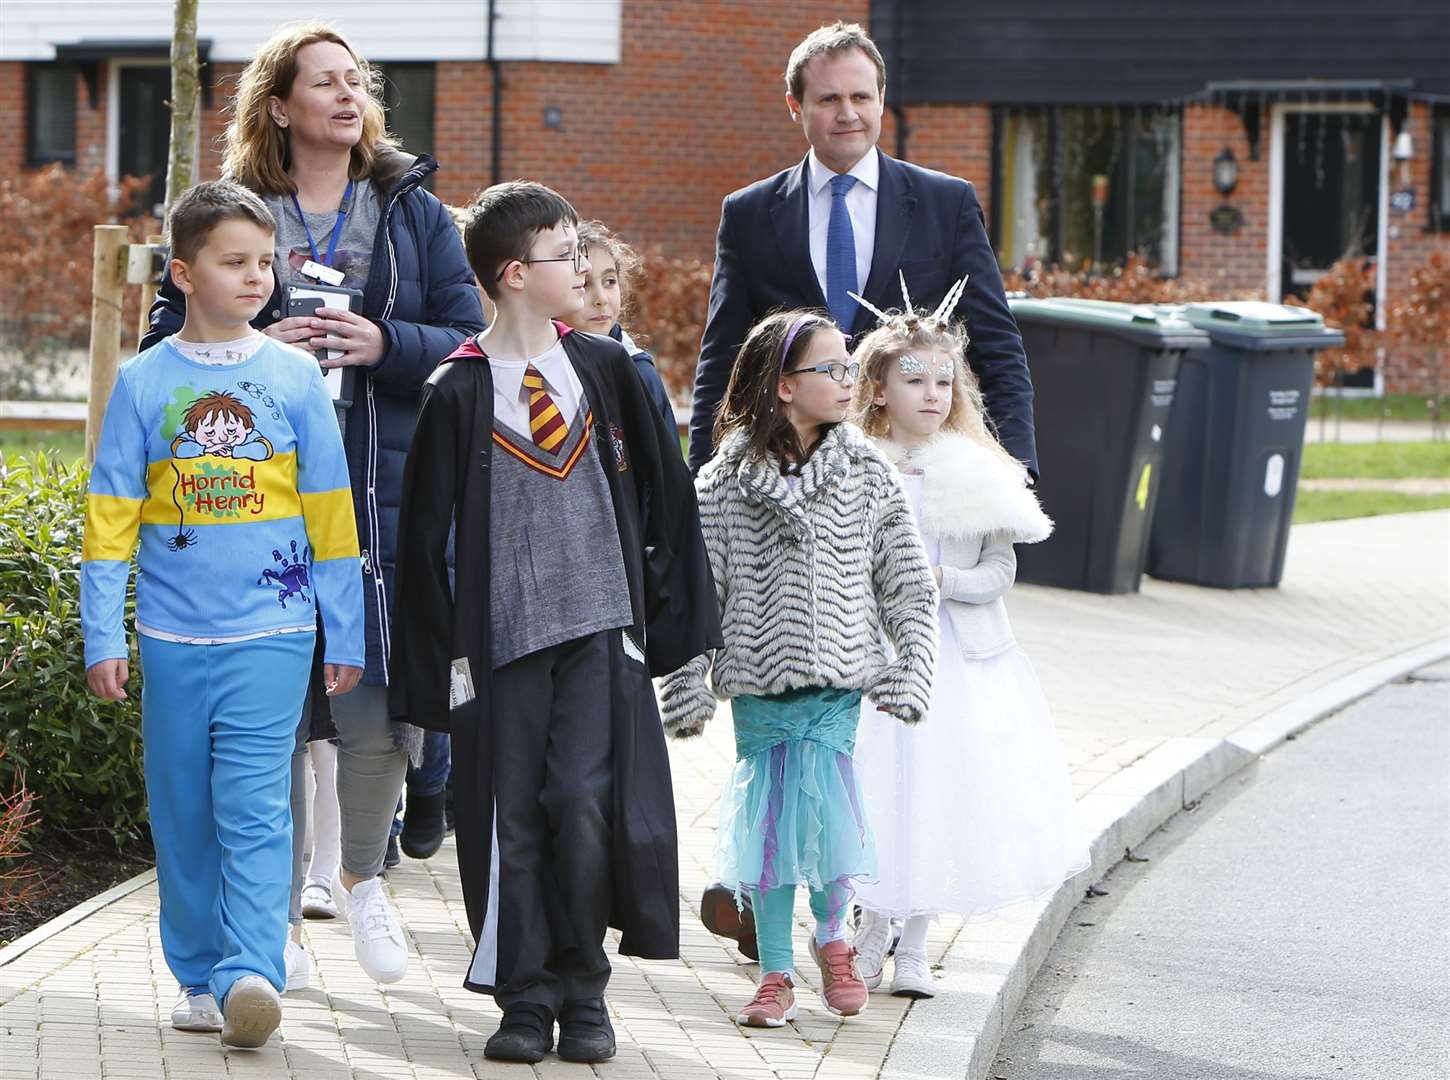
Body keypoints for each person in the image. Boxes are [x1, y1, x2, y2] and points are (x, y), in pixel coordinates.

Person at [141, 21, 486, 988]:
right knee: (277, 715)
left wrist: (386, 344)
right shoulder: (239, 210)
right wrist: (250, 340)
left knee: (373, 688)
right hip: (254, 499)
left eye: (356, 81)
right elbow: (166, 342)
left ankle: (364, 881)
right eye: (324, 82)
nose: (347, 96)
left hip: (386, 487)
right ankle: (278, 914)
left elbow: (467, 337)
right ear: (280, 104)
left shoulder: (413, 209)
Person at [387, 181, 720, 1064]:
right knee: (511, 816)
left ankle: (584, 988)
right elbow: (421, 545)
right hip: (498, 646)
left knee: (583, 805)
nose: (583, 269)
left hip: (600, 632)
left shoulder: (608, 372)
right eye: (564, 255)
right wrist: (430, 677)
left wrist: (673, 626)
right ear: (511, 275)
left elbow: (666, 499)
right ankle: (523, 997)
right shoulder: (458, 391)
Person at [81, 180, 364, 1049]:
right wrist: (103, 633)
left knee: (252, 806)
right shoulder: (142, 383)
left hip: (274, 635)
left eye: (264, 262)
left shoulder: (293, 379)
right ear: (182, 272)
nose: (255, 278)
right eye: (232, 262)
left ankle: (251, 973)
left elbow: (330, 510)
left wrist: (341, 628)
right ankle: (198, 976)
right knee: (181, 810)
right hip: (168, 639)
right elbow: (110, 515)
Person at [660, 309, 938, 1028]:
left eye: (850, 367)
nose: (849, 379)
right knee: (773, 821)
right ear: (783, 386)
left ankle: (835, 937)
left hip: (839, 675)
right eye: (831, 369)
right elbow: (699, 588)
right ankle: (777, 970)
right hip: (757, 679)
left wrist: (910, 663)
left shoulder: (868, 471)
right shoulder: (723, 483)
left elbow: (905, 578)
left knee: (831, 808)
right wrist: (689, 678)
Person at [847, 281, 1089, 997]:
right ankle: (868, 929)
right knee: (872, 789)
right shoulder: (856, 464)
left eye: (943, 381)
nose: (931, 394)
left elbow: (999, 570)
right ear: (879, 388)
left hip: (953, 660)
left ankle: (915, 943)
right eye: (913, 379)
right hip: (873, 655)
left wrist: (944, 579)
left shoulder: (977, 473)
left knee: (937, 792)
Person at [687, 21, 1036, 479]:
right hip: (790, 471)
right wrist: (701, 479)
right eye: (829, 99)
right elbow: (724, 357)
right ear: (796, 106)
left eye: (860, 97)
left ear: (881, 99)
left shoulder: (946, 204)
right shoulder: (749, 214)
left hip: (917, 474)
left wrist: (1017, 469)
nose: (847, 113)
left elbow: (998, 347)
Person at [559, 220, 675, 429]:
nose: (601, 299)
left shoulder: (639, 373)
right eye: (584, 283)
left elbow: (664, 459)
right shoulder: (540, 370)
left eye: (610, 282)